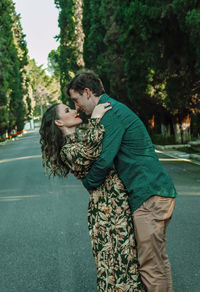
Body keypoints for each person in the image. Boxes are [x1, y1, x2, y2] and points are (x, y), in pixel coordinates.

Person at [67, 71, 178, 292]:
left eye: (76, 100)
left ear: (87, 93)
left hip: (149, 195)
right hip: (155, 193)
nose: (76, 107)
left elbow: (103, 161)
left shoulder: (110, 113)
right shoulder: (112, 109)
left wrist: (89, 184)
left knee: (149, 267)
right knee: (157, 263)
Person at [39, 102, 145, 292]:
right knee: (114, 267)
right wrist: (95, 118)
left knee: (126, 263)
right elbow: (92, 151)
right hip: (106, 211)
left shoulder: (80, 141)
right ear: (58, 123)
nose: (74, 111)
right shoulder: (68, 151)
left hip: (115, 205)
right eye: (67, 111)